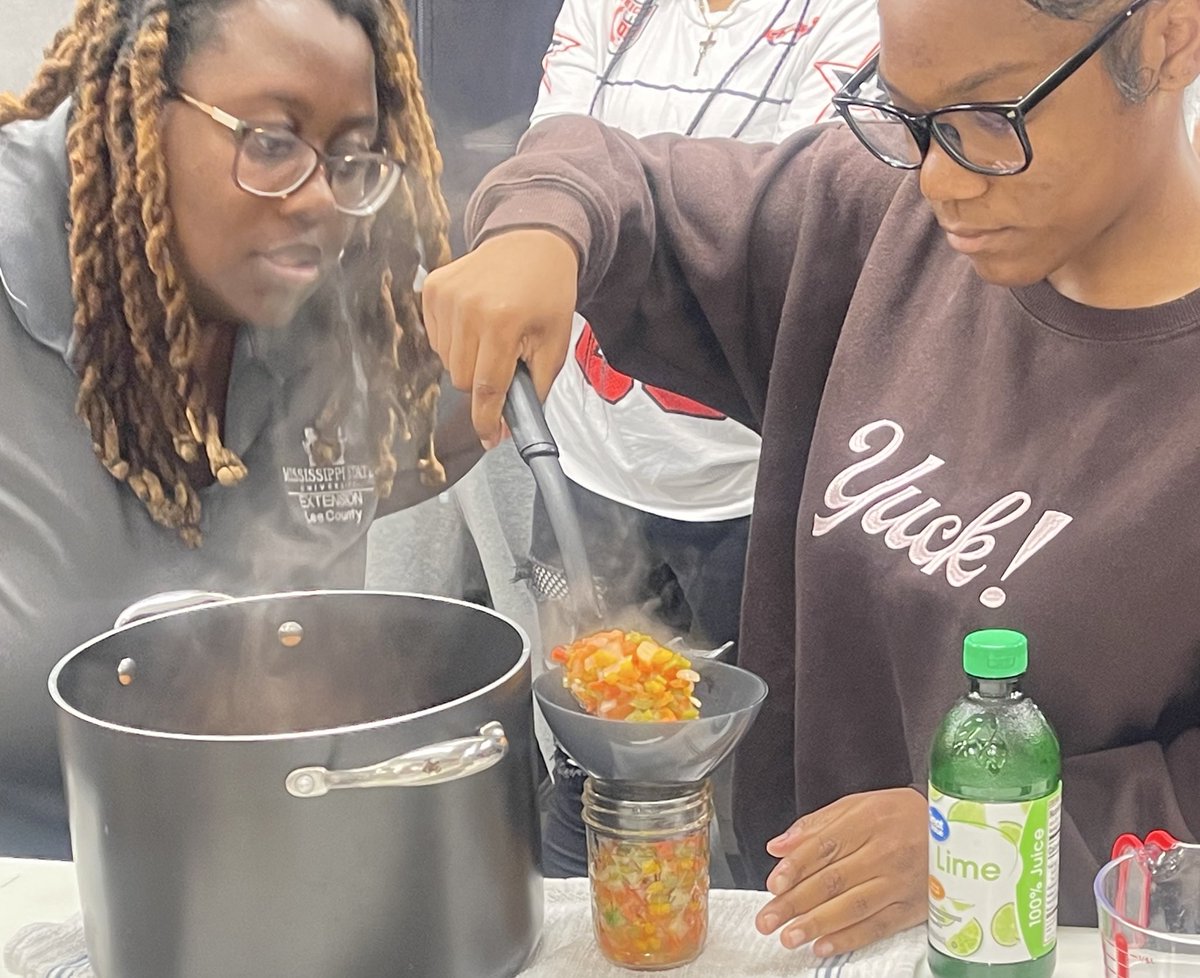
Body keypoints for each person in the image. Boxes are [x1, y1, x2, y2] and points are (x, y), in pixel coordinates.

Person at [423, 0, 1200, 958]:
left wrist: (993, 833)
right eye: (908, 121)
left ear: (1168, 36)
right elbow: (620, 172)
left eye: (991, 119)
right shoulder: (874, 222)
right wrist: (537, 231)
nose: (943, 179)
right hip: (796, 924)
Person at [0, 0, 480, 858]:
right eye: (270, 141)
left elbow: (385, 460)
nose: (319, 202)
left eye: (350, 156)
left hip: (279, 870)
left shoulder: (331, 293)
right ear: (144, 108)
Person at [529, 0, 879, 880]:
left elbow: (782, 224)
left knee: (757, 791)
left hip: (751, 492)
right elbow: (556, 152)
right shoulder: (610, 11)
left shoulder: (855, 20)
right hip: (584, 462)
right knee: (586, 758)